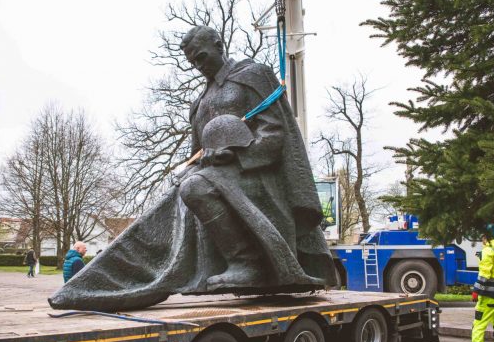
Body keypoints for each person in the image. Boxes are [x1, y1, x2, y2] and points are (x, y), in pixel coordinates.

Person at [48, 25, 336, 312]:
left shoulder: (252, 76)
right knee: (175, 194)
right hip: (218, 178)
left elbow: (275, 133)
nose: (198, 66)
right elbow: (196, 154)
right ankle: (99, 284)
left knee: (195, 186)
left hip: (258, 178)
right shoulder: (199, 104)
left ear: (219, 45)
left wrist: (236, 155)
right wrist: (195, 165)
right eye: (192, 62)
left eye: (201, 57)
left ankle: (247, 262)